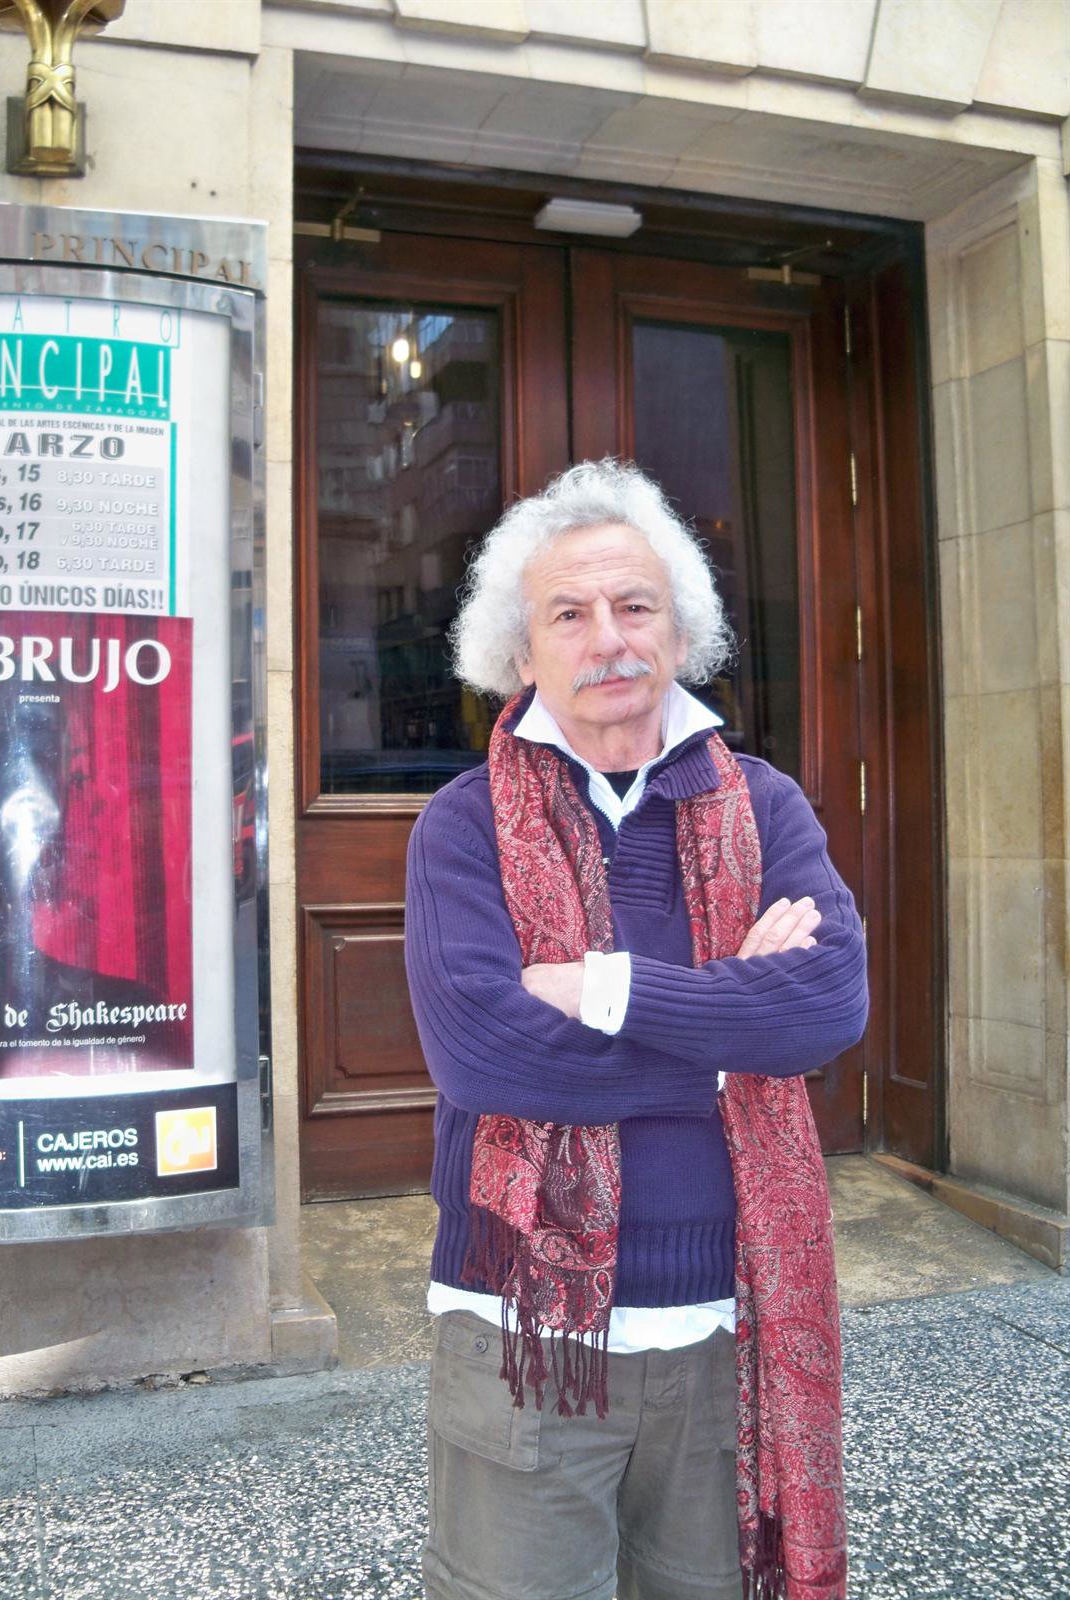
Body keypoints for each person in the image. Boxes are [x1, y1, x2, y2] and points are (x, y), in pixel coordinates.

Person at [404, 460, 869, 1600]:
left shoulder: (766, 806)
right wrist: (727, 1037)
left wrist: (603, 989)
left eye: (635, 606)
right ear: (522, 653)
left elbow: (828, 1004)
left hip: (724, 1320)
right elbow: (483, 1053)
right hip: (522, 1331)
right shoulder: (461, 827)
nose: (608, 638)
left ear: (682, 631)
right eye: (569, 613)